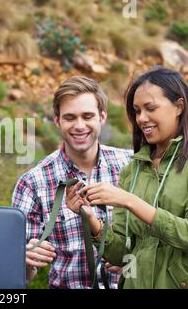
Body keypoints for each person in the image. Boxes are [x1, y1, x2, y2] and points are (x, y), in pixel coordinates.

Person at [67, 66, 188, 289]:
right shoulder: (132, 170)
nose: (141, 118)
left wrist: (129, 201)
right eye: (136, 110)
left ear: (179, 106)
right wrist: (92, 220)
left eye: (150, 108)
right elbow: (121, 254)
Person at [12, 76, 132, 289]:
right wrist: (26, 259)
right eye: (69, 117)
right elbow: (19, 276)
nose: (79, 126)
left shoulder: (130, 167)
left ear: (102, 117)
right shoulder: (33, 183)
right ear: (57, 120)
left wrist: (134, 258)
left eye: (87, 116)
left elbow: (158, 241)